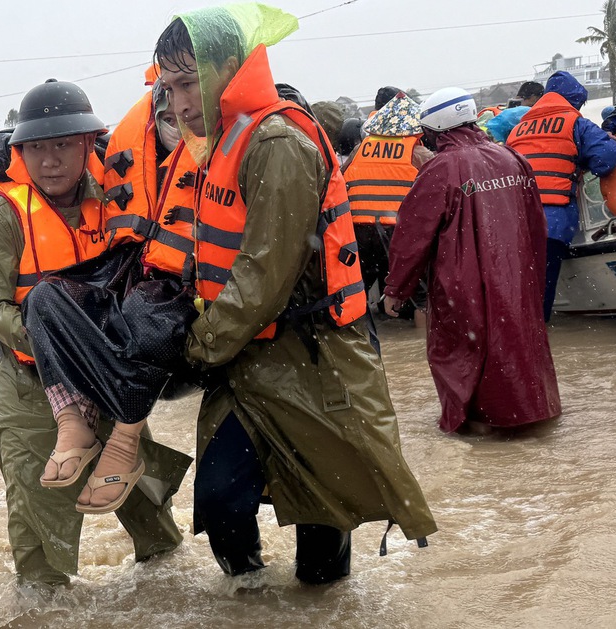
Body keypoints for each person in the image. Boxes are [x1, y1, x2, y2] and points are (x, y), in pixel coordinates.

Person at [155, 3, 436, 584]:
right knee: (221, 501)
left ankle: (323, 610)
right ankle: (252, 597)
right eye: (170, 88)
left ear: (229, 66)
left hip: (312, 357)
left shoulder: (277, 143)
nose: (179, 105)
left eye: (189, 84)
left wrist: (192, 351)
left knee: (325, 503)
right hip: (243, 356)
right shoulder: (217, 144)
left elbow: (264, 274)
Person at [0, 79, 188, 588]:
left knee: (147, 497)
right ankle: (44, 612)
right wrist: (60, 342)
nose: (50, 160)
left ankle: (169, 589)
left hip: (107, 374)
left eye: (63, 144)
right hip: (31, 387)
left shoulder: (116, 196)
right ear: (19, 151)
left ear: (89, 143)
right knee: (38, 519)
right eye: (36, 148)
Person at [24, 74, 201, 514]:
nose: (177, 116)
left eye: (185, 99)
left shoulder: (232, 137)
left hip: (185, 277)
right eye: (165, 113)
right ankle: (73, 421)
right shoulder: (122, 144)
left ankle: (125, 442)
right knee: (43, 298)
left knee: (145, 311)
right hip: (133, 263)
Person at [383, 87, 561, 434]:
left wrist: (396, 289)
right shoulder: (512, 158)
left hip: (464, 283)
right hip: (515, 280)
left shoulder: (440, 169)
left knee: (465, 354)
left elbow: (412, 237)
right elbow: (535, 224)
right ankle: (529, 418)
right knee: (519, 348)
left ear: (434, 133)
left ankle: (476, 430)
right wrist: (531, 277)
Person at [507, 71, 616, 321]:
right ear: (574, 100)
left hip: (515, 224)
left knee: (521, 296)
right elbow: (605, 160)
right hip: (552, 224)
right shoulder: (574, 122)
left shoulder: (518, 129)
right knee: (538, 307)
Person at [341, 92, 434, 324]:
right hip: (397, 231)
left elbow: (342, 180)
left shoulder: (361, 148)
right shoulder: (418, 152)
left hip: (358, 228)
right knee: (418, 292)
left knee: (357, 288)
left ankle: (358, 331)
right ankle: (419, 342)